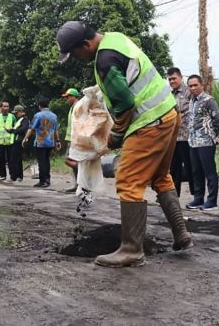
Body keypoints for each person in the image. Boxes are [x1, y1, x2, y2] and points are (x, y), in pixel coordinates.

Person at [56, 21, 193, 267]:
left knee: (129, 181)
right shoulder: (115, 38)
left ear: (85, 45)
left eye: (75, 53)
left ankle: (131, 250)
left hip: (149, 121)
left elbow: (126, 105)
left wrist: (115, 135)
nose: (76, 58)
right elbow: (129, 76)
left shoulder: (103, 61)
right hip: (169, 113)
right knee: (161, 176)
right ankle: (181, 235)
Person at [186, 75, 219, 212]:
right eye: (190, 86)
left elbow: (218, 120)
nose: (193, 88)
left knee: (209, 172)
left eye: (195, 85)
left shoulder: (208, 100)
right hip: (193, 141)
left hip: (206, 141)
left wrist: (213, 135)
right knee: (196, 172)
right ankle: (198, 198)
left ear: (202, 85)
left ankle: (212, 201)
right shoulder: (192, 101)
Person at [167, 67, 194, 198]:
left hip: (187, 136)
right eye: (169, 79)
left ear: (180, 77)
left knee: (190, 166)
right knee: (174, 167)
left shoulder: (189, 92)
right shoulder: (169, 95)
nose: (172, 81)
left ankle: (196, 195)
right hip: (173, 137)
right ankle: (174, 195)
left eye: (174, 78)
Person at [22, 97, 57, 188]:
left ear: (39, 106)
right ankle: (48, 179)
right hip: (50, 141)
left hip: (41, 141)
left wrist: (25, 138)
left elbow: (31, 128)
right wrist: (58, 141)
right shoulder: (54, 116)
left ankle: (42, 181)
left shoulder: (38, 115)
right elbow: (56, 130)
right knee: (47, 161)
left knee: (41, 161)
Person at [61, 88, 81, 193]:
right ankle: (78, 184)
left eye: (68, 97)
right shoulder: (73, 107)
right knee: (72, 161)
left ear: (73, 96)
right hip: (71, 139)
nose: (67, 99)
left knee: (68, 160)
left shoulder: (78, 107)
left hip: (75, 139)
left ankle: (83, 178)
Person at [0, 102, 16, 182]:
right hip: (0, 142)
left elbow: (15, 128)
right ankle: (2, 175)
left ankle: (12, 176)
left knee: (11, 160)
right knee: (1, 159)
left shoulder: (12, 117)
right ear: (1, 108)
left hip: (10, 142)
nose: (6, 108)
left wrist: (15, 139)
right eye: (4, 106)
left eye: (7, 106)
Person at [5, 104, 28, 182]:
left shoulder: (25, 119)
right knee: (14, 159)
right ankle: (15, 176)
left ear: (21, 112)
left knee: (15, 159)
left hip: (19, 142)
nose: (16, 114)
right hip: (15, 141)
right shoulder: (20, 119)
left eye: (16, 112)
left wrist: (13, 131)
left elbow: (23, 129)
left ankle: (16, 176)